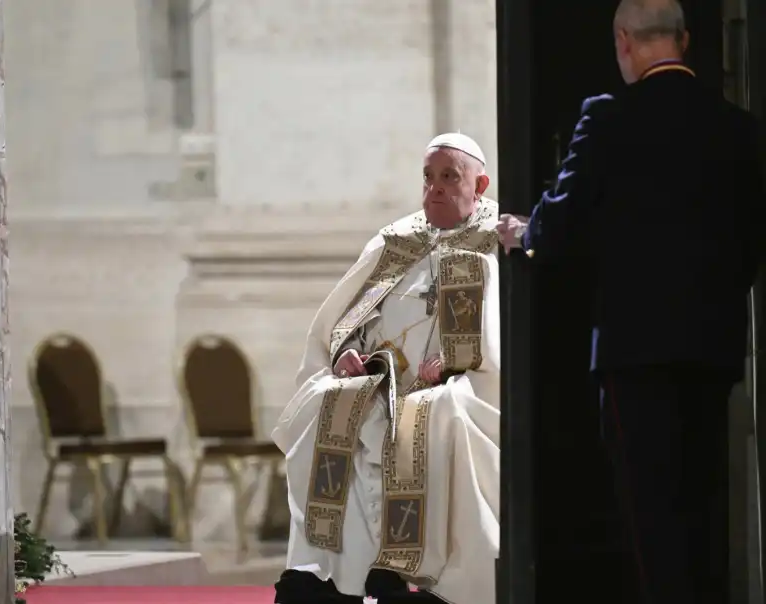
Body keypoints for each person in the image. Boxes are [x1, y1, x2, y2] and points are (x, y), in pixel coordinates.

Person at [498, 0, 765, 602]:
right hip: (713, 345)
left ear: (623, 41)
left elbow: (560, 225)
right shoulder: (737, 126)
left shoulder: (609, 117)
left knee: (651, 516)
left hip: (634, 349)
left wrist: (524, 235)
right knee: (702, 506)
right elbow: (751, 241)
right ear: (686, 40)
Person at [272, 133, 500, 604]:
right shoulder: (397, 241)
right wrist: (346, 353)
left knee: (440, 417)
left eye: (448, 177)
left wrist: (461, 362)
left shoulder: (495, 241)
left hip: (458, 385)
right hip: (380, 381)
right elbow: (346, 318)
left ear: (479, 184)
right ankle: (329, 577)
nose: (434, 188)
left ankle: (431, 581)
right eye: (428, 177)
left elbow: (501, 335)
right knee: (326, 405)